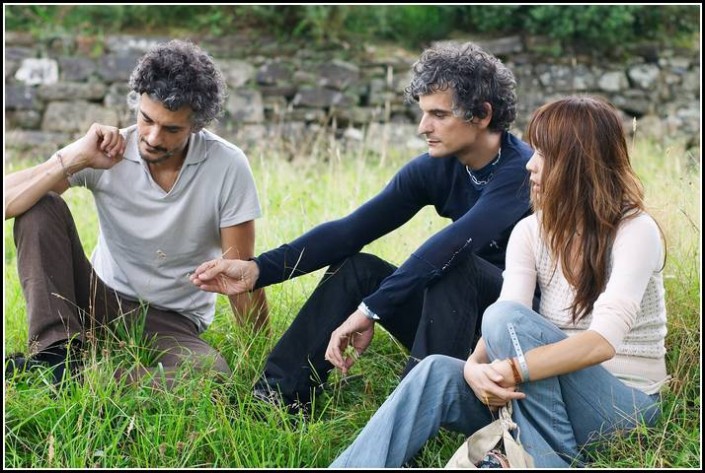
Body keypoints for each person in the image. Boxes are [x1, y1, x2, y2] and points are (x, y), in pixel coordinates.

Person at [190, 42, 534, 415]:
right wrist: (259, 269)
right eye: (423, 113)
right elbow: (351, 230)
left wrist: (371, 310)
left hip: (511, 332)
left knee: (455, 260)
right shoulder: (436, 167)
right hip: (451, 323)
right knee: (358, 268)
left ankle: (410, 419)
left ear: (482, 114)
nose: (423, 127)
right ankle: (275, 400)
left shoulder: (524, 172)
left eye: (438, 114)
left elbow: (454, 243)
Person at [329, 95, 670, 468]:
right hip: (543, 397)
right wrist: (475, 369)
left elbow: (602, 343)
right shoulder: (531, 231)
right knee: (436, 372)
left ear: (577, 165)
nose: (530, 165)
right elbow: (503, 323)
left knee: (508, 320)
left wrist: (512, 370)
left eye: (543, 155)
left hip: (622, 408)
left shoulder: (635, 230)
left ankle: (539, 458)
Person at [4, 39, 268, 388]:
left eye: (172, 129)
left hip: (171, 323)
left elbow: (241, 274)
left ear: (197, 126)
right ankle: (56, 355)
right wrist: (74, 159)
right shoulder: (106, 150)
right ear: (137, 102)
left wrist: (264, 358)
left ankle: (74, 378)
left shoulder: (227, 166)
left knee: (210, 378)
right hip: (98, 299)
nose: (154, 138)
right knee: (39, 204)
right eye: (147, 119)